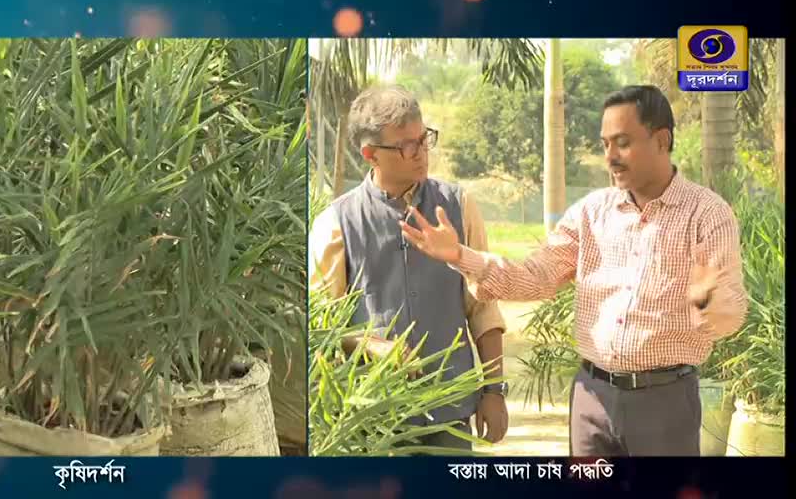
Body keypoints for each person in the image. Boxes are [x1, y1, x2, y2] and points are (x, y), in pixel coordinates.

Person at [399, 85, 748, 457]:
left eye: (623, 143)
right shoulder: (591, 213)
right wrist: (460, 255)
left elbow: (731, 313)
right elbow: (535, 276)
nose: (610, 157)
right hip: (591, 398)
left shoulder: (706, 214)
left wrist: (709, 301)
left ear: (662, 140)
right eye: (605, 144)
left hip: (664, 402)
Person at [309, 85, 509, 451]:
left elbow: (483, 307)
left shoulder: (458, 206)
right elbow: (324, 328)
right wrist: (370, 345)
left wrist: (494, 391)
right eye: (406, 146)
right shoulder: (336, 224)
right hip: (372, 419)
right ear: (371, 155)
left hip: (450, 412)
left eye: (423, 139)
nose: (421, 153)